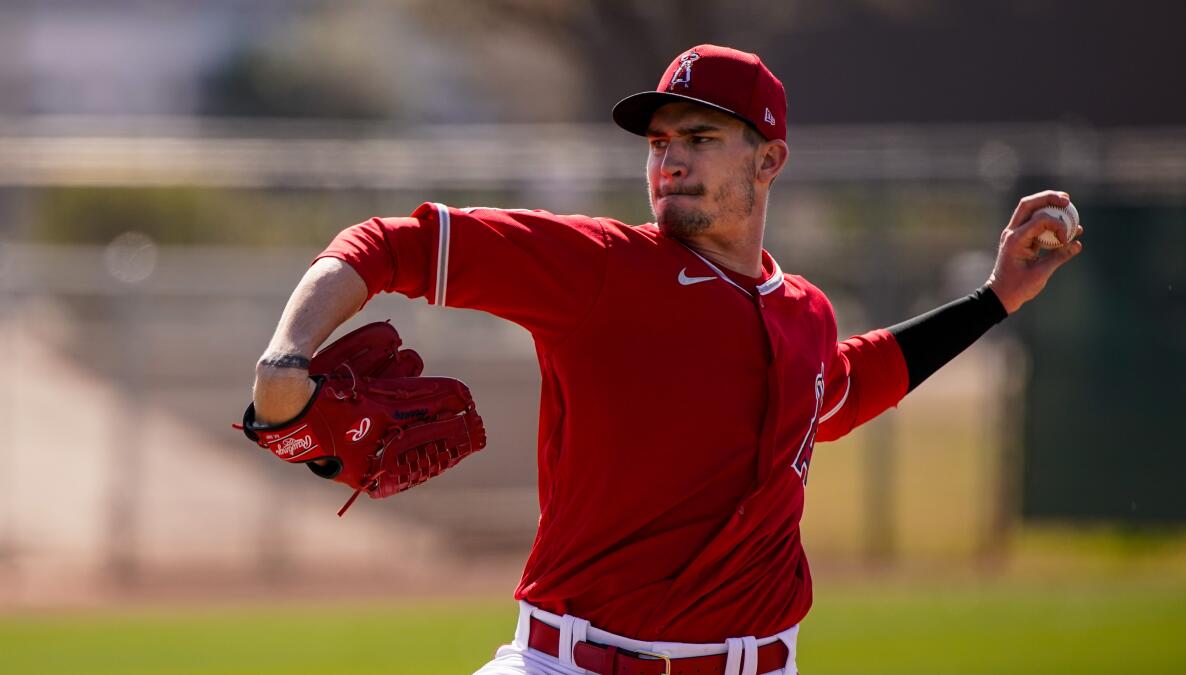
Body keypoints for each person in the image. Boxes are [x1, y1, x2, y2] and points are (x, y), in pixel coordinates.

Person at [251, 44, 1083, 675]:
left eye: (699, 136)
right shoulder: (600, 269)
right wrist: (285, 359)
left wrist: (995, 298)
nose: (669, 158)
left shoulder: (803, 313)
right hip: (573, 660)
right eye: (657, 142)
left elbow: (847, 385)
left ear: (769, 160)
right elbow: (387, 244)